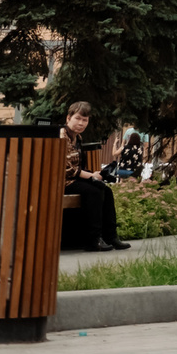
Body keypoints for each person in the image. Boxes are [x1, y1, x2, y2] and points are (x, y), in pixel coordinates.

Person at [59, 102, 130, 251]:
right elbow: (66, 169)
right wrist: (91, 175)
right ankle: (93, 240)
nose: (81, 123)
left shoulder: (77, 138)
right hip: (60, 181)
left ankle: (110, 236)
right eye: (77, 118)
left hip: (73, 179)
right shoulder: (62, 135)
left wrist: (94, 175)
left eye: (85, 120)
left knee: (106, 190)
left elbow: (78, 167)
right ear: (68, 118)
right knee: (94, 192)